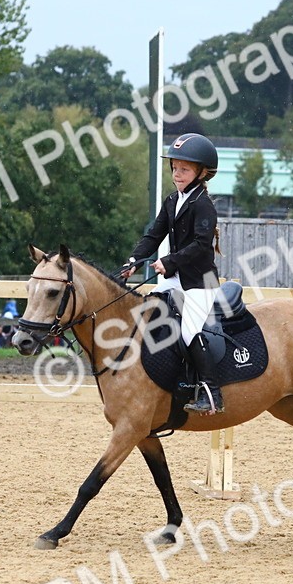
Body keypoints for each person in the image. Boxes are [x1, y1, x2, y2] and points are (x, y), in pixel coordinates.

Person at [120, 133, 224, 415]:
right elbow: (154, 235)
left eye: (185, 169)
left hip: (199, 283)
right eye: (175, 168)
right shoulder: (172, 200)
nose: (178, 173)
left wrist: (170, 262)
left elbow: (202, 246)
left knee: (189, 331)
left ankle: (211, 393)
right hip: (174, 280)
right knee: (145, 316)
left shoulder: (203, 205)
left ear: (202, 172)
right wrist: (133, 261)